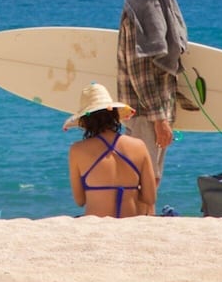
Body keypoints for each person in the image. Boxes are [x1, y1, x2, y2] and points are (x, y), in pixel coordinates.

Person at [116, 0, 191, 207]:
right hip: (145, 109)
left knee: (152, 178)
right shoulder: (144, 1)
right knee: (142, 178)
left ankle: (144, 225)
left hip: (157, 106)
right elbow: (141, 66)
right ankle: (137, 229)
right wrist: (160, 118)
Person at [66, 83, 159, 218]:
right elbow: (150, 198)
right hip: (131, 222)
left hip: (96, 224)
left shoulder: (77, 150)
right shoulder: (139, 146)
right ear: (115, 115)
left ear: (85, 121)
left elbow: (80, 200)